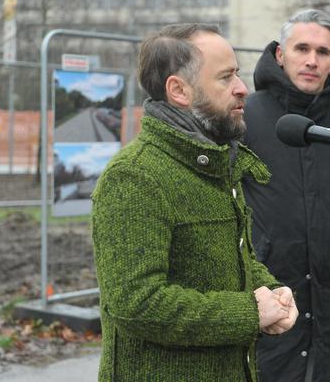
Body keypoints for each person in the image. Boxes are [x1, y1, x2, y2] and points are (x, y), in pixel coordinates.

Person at [91, 23, 298, 382]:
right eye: (225, 77)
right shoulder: (135, 177)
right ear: (179, 90)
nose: (241, 88)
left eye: (238, 74)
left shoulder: (216, 163)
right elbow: (136, 303)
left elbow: (232, 260)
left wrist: (270, 291)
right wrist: (250, 312)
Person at [241, 9, 330, 382]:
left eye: (323, 51)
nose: (312, 60)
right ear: (280, 55)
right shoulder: (246, 115)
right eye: (302, 48)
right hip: (272, 296)